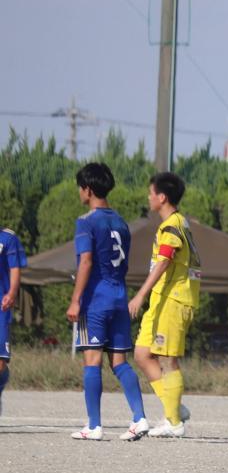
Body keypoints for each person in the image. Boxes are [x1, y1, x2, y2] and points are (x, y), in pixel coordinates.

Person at [67, 163, 148, 441]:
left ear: (88, 190)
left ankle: (94, 425)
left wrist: (76, 300)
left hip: (96, 300)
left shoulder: (86, 221)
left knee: (92, 361)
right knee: (119, 362)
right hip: (119, 297)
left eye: (80, 188)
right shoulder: (121, 223)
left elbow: (86, 261)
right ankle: (139, 418)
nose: (79, 192)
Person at [128, 171, 200, 438]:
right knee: (142, 354)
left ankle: (174, 422)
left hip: (173, 300)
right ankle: (175, 407)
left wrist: (140, 294)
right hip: (161, 300)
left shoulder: (172, 226)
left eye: (151, 193)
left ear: (162, 197)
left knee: (168, 359)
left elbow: (164, 261)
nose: (148, 197)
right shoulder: (176, 223)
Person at [0, 223, 28, 416]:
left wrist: (11, 292)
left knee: (1, 362)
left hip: (1, 305)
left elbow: (15, 268)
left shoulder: (8, 238)